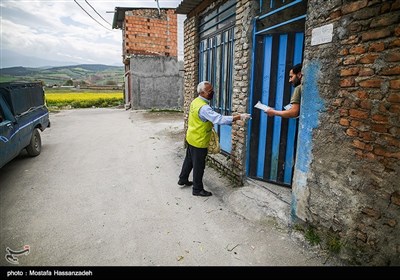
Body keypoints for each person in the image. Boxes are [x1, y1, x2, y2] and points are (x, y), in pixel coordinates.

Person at [178, 81, 251, 197]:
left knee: (189, 160)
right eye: (209, 91)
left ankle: (183, 179)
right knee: (199, 166)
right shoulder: (204, 108)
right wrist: (239, 117)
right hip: (199, 140)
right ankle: (197, 189)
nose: (212, 92)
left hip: (191, 137)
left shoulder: (195, 101)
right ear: (202, 92)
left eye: (212, 89)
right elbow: (219, 119)